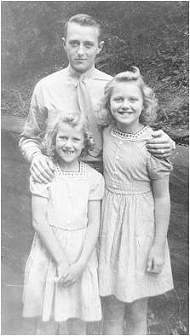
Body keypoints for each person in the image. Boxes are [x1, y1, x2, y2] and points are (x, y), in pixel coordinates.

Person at [19, 14, 175, 182]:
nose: (80, 52)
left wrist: (165, 142)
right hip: (56, 175)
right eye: (74, 43)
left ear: (99, 47)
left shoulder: (114, 90)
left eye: (88, 45)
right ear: (64, 43)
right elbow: (28, 138)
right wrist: (36, 157)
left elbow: (136, 131)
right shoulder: (45, 87)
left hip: (103, 178)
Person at [98, 67, 174, 335]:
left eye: (133, 99)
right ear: (109, 104)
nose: (125, 105)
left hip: (141, 233)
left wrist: (156, 247)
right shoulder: (105, 133)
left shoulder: (154, 143)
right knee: (111, 311)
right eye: (118, 99)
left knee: (138, 311)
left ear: (144, 105)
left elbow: (162, 198)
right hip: (109, 229)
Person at [22, 114, 104, 335]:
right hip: (50, 254)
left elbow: (94, 224)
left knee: (77, 321)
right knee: (46, 321)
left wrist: (78, 266)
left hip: (80, 256)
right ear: (53, 139)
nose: (68, 144)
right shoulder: (44, 172)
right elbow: (39, 221)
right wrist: (62, 263)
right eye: (63, 138)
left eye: (75, 140)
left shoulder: (94, 178)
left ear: (85, 143)